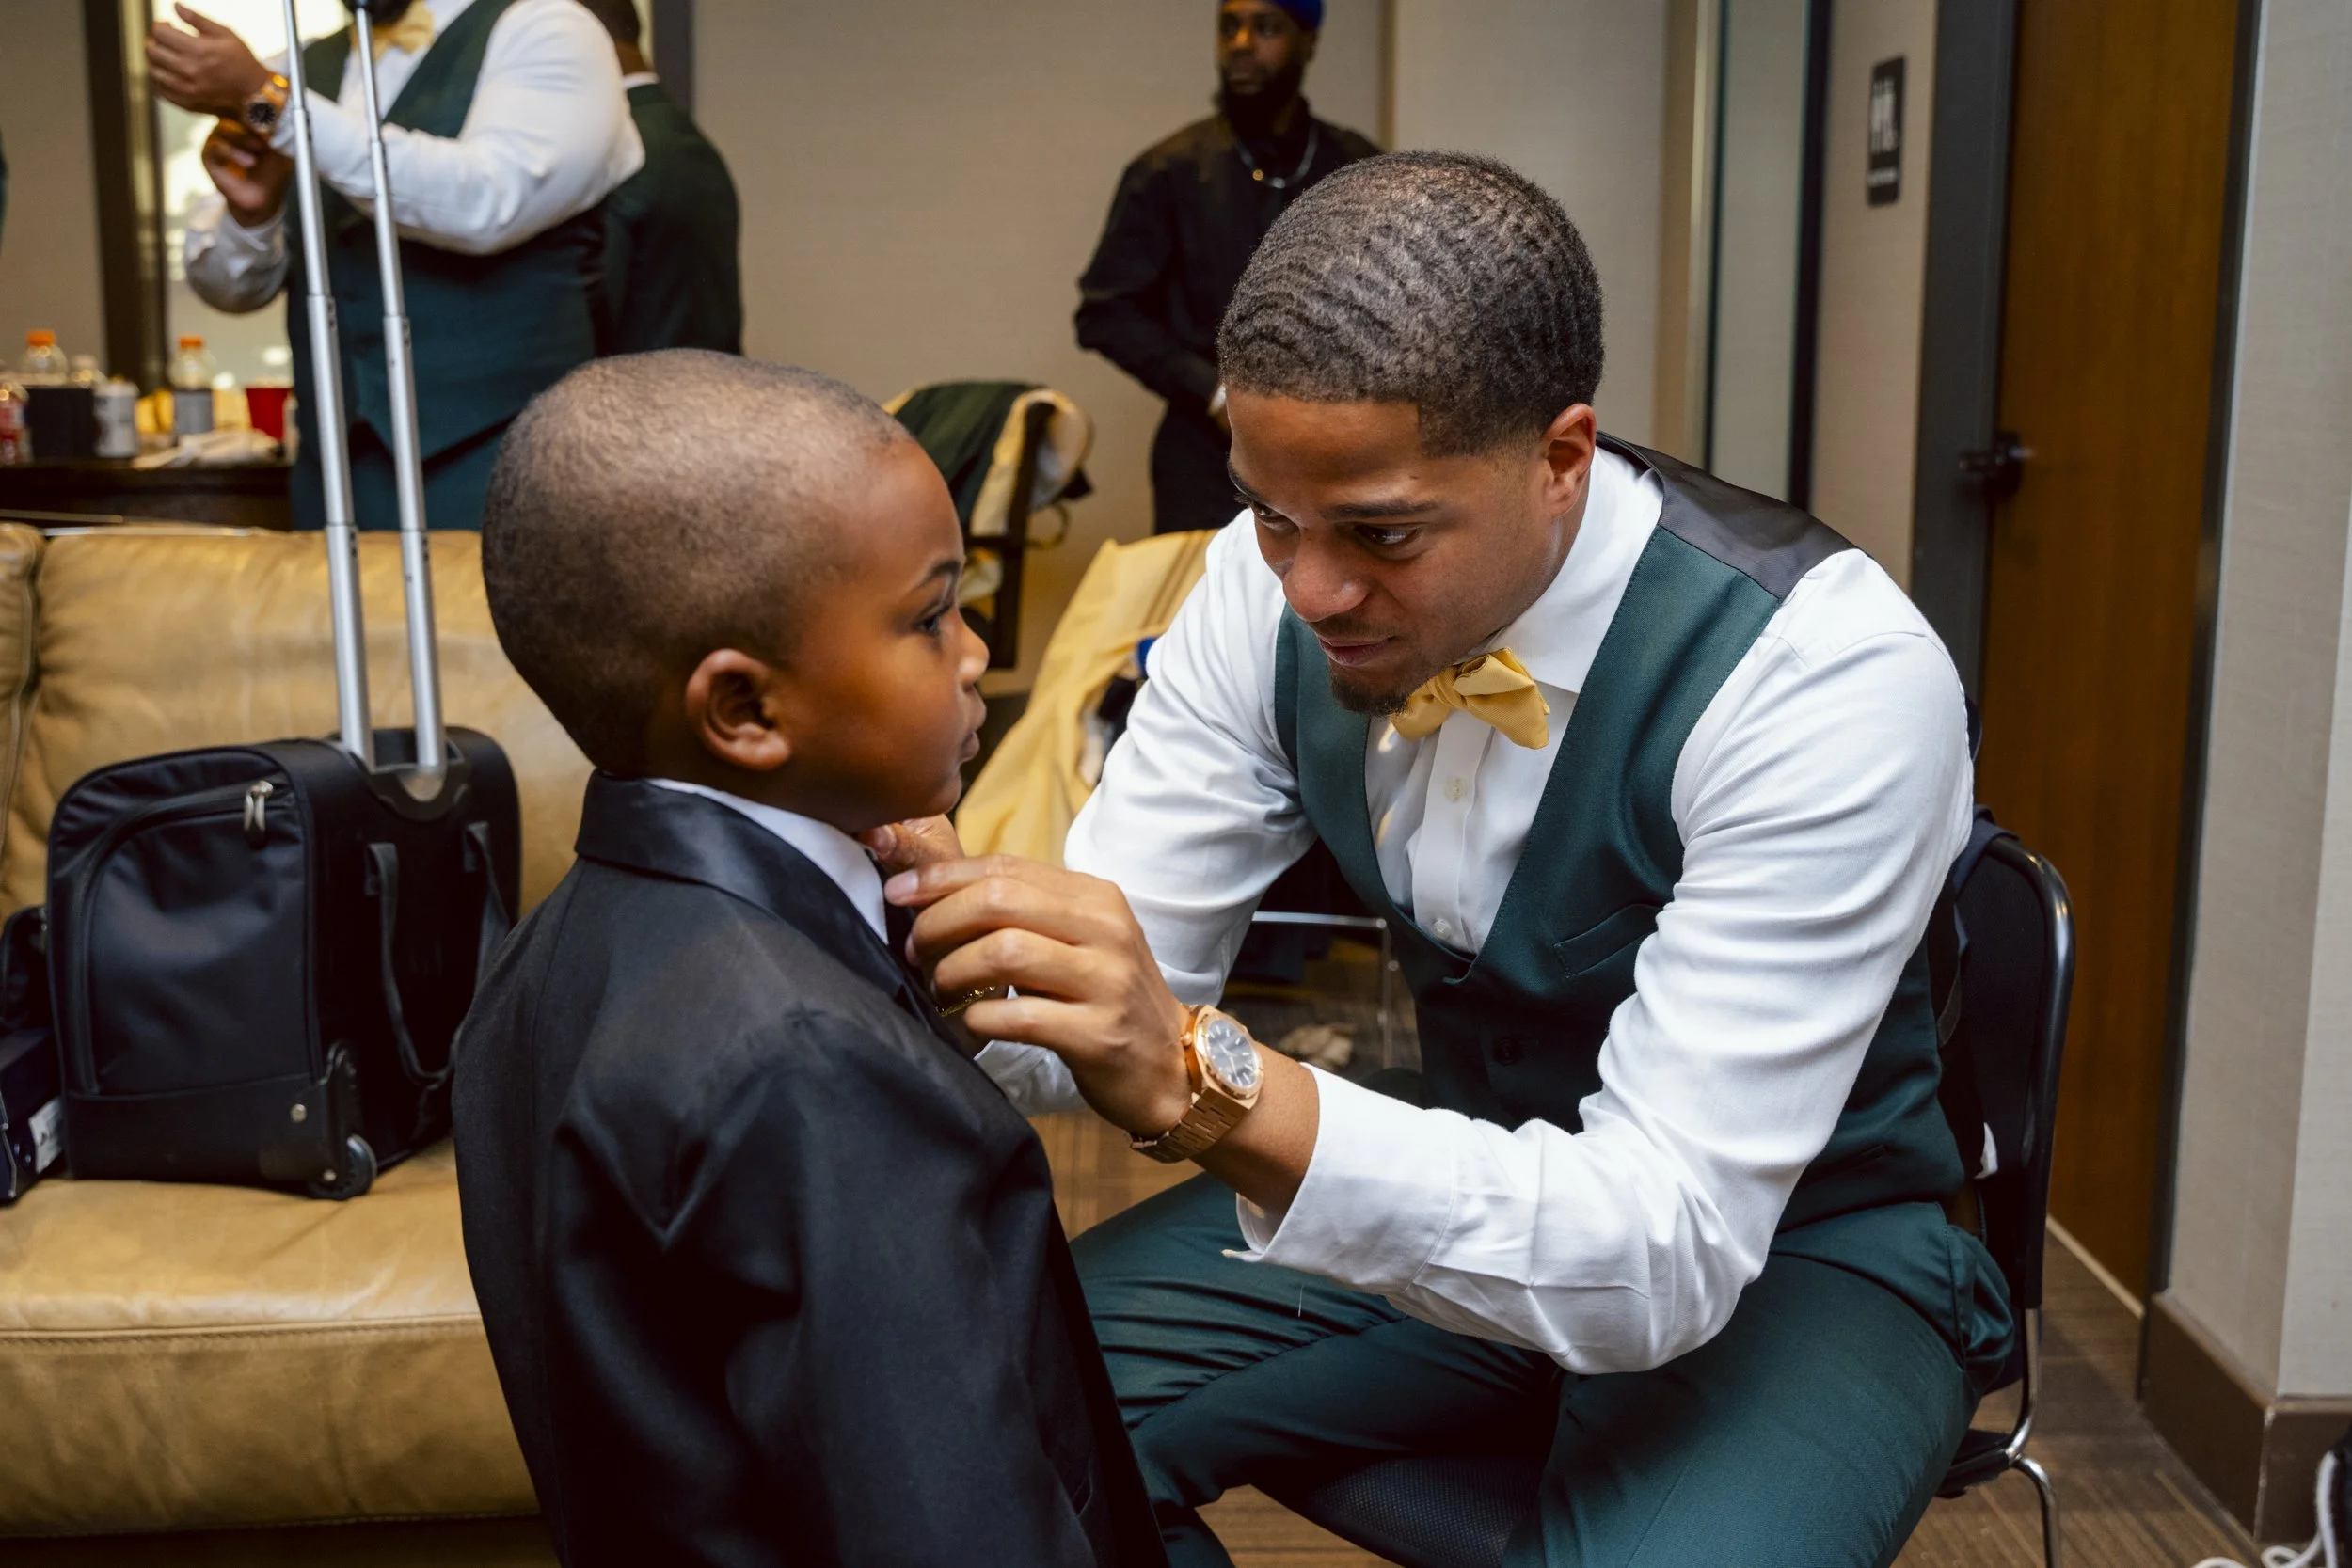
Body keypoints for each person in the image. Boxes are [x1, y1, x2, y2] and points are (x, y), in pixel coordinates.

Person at [893, 154, 2014, 1566]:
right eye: (1271, 514)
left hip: (1796, 1249)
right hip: (1473, 1159)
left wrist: (1203, 1081)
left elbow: (1656, 1249)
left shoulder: (1823, 675)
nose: (1307, 588)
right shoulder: (1270, 580)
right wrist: (931, 926)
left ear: (1561, 458)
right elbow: (1106, 996)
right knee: (983, 1406)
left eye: (1380, 531)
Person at [453, 351, 1165, 1568]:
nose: (977, 648)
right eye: (931, 612)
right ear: (744, 711)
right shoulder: (806, 1059)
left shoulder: (544, 964)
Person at [149, 0, 641, 531]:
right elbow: (231, 289)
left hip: (507, 457)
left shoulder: (550, 31)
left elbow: (488, 203)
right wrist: (253, 215)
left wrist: (268, 102)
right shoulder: (302, 67)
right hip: (336, 469)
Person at [1075, 0, 1376, 536]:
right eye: (1229, 27)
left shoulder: (1357, 167)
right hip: (1204, 461)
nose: (1241, 44)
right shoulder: (1167, 172)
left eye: (1265, 27)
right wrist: (1212, 393)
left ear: (1308, 42)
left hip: (1333, 448)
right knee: (1201, 611)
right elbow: (1105, 313)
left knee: (1324, 609)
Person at [578, 0, 743, 356]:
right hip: (712, 388)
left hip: (637, 395)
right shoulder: (686, 139)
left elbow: (593, 314)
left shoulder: (615, 151)